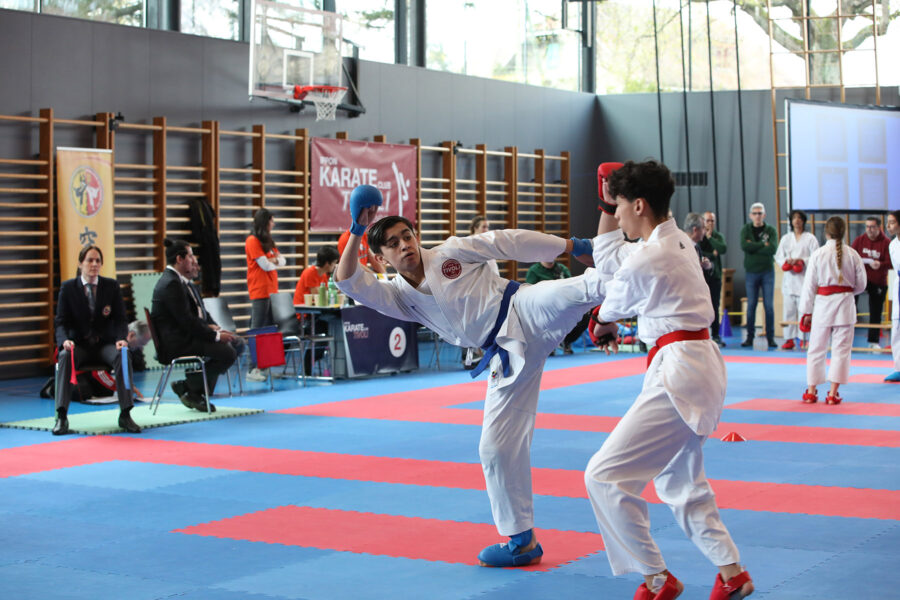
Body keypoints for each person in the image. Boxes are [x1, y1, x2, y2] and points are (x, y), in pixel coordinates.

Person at [334, 184, 605, 568]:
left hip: (523, 308)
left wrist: (573, 245)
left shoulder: (449, 252)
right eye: (393, 244)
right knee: (494, 448)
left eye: (407, 236)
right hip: (504, 357)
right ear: (381, 257)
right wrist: (357, 230)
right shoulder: (397, 296)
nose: (405, 245)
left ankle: (648, 259)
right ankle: (522, 541)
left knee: (585, 286)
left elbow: (507, 242)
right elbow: (347, 280)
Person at [585, 160, 752, 600]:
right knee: (679, 481)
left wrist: (599, 323)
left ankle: (658, 578)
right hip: (695, 366)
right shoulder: (676, 241)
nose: (617, 215)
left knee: (603, 476)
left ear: (639, 205)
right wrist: (606, 203)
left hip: (679, 372)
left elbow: (611, 303)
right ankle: (732, 573)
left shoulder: (651, 255)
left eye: (620, 206)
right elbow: (612, 258)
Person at [52, 245, 141, 435]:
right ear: (80, 264)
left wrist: (121, 339)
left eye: (97, 261)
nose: (94, 264)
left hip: (104, 345)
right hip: (79, 346)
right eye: (89, 260)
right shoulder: (68, 288)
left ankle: (126, 414)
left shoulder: (111, 286)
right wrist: (64, 341)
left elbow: (120, 319)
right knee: (65, 356)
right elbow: (60, 322)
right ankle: (61, 416)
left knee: (123, 355)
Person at [151, 239, 243, 412]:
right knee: (228, 352)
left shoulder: (184, 283)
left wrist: (216, 328)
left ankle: (193, 391)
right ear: (179, 259)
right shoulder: (171, 284)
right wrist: (216, 336)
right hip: (177, 343)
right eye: (191, 256)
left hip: (188, 336)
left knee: (238, 343)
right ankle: (190, 387)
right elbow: (187, 321)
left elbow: (202, 314)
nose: (194, 260)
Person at [799, 217, 866, 405]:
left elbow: (809, 286)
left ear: (826, 233)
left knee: (816, 348)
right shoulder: (853, 254)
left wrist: (806, 312)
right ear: (844, 232)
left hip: (822, 306)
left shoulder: (818, 254)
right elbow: (862, 284)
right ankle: (833, 393)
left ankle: (811, 391)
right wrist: (846, 291)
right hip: (845, 305)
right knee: (841, 350)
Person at [246, 208, 286, 381]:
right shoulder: (252, 241)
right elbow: (265, 265)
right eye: (271, 221)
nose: (273, 224)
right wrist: (273, 260)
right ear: (265, 222)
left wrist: (273, 260)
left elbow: (282, 261)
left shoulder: (268, 242)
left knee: (269, 329)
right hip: (259, 290)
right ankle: (251, 368)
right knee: (257, 328)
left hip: (272, 290)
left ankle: (265, 366)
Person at [524, 259, 591, 354]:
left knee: (585, 316)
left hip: (565, 307)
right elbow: (529, 293)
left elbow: (571, 289)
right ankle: (548, 343)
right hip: (544, 308)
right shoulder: (534, 271)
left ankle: (566, 341)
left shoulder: (562, 269)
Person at [774, 209, 819, 350]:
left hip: (804, 280)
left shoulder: (810, 238)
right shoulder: (786, 238)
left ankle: (804, 338)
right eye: (794, 218)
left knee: (804, 312)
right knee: (788, 312)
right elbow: (778, 256)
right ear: (791, 221)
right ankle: (789, 339)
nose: (797, 221)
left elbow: (816, 257)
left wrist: (801, 261)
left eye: (799, 218)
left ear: (803, 221)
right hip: (789, 281)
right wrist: (786, 262)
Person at [851, 216, 893, 349]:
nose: (869, 229)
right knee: (849, 307)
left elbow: (891, 263)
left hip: (878, 281)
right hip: (859, 279)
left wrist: (880, 264)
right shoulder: (859, 240)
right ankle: (846, 338)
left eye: (872, 227)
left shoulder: (886, 243)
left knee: (876, 311)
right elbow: (850, 257)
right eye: (867, 227)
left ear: (879, 228)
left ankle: (873, 342)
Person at [740, 202, 778, 349]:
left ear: (764, 215)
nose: (757, 216)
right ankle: (750, 337)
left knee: (769, 306)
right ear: (750, 215)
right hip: (751, 272)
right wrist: (763, 245)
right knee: (751, 306)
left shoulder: (771, 230)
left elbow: (772, 249)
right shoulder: (746, 229)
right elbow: (744, 246)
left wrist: (753, 247)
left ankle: (770, 338)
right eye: (755, 213)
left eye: (759, 213)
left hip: (767, 272)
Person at [699, 211, 727, 346]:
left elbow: (722, 249)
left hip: (715, 276)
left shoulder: (717, 236)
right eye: (707, 220)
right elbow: (699, 252)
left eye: (712, 221)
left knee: (715, 305)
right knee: (700, 305)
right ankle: (701, 334)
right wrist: (712, 254)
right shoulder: (699, 235)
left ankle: (716, 334)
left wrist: (710, 238)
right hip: (701, 277)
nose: (710, 223)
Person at [884, 210, 900, 383]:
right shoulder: (892, 245)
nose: (888, 226)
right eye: (888, 222)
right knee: (897, 327)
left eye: (892, 222)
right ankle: (899, 368)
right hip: (899, 285)